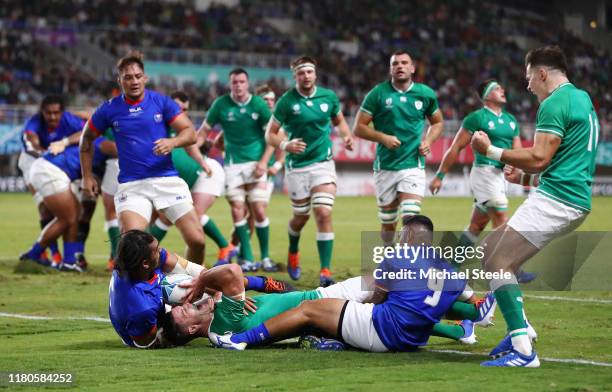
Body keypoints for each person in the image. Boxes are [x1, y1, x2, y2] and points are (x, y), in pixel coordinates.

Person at [470, 45, 598, 367]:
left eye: (529, 78)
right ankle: (522, 328)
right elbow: (562, 163)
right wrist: (525, 181)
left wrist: (491, 151)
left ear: (542, 74)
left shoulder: (554, 102)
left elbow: (539, 158)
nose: (527, 86)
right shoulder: (582, 98)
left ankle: (523, 351)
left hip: (559, 201)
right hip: (566, 196)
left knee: (499, 260)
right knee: (488, 251)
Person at [205, 215, 495, 352]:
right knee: (416, 305)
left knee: (308, 307)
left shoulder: (398, 257)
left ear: (407, 236)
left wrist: (252, 280)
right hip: (410, 335)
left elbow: (286, 291)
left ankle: (239, 342)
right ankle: (465, 328)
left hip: (373, 322)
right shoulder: (449, 269)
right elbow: (279, 288)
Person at [79, 53, 206, 265]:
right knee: (134, 247)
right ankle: (144, 291)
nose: (134, 81)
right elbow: (86, 139)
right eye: (128, 77)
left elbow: (190, 132)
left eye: (138, 76)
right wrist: (87, 177)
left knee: (197, 241)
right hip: (132, 185)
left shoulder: (161, 102)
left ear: (145, 78)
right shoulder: (109, 108)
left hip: (166, 180)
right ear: (120, 80)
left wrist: (172, 142)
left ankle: (194, 287)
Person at [109, 230, 293, 348]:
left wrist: (218, 288)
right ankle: (229, 330)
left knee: (217, 281)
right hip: (148, 328)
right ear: (145, 264)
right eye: (157, 250)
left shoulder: (134, 262)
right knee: (208, 302)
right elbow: (145, 342)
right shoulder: (141, 308)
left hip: (155, 298)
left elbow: (188, 268)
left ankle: (263, 284)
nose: (162, 251)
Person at [265, 56, 354, 286]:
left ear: (315, 74)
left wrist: (346, 136)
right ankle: (293, 249)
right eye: (301, 72)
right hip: (296, 168)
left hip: (322, 163)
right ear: (295, 75)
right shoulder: (286, 101)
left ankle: (325, 270)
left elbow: (340, 121)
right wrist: (286, 145)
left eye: (309, 72)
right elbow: (270, 134)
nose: (306, 76)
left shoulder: (329, 97)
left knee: (323, 213)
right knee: (300, 217)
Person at [353, 50, 443, 243]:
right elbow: (358, 128)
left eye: (404, 63)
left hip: (413, 165)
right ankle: (389, 258)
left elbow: (438, 123)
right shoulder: (377, 94)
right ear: (390, 69)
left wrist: (428, 141)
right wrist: (383, 138)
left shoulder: (425, 94)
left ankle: (405, 266)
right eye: (395, 64)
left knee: (411, 220)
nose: (400, 66)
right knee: (388, 224)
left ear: (412, 68)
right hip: (385, 167)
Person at [198, 69, 275, 272]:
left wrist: (264, 162)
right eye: (234, 82)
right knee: (237, 209)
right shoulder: (221, 104)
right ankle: (247, 258)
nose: (238, 85)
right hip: (232, 165)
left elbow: (273, 135)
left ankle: (266, 257)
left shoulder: (258, 104)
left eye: (242, 82)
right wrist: (194, 150)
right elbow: (204, 130)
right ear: (230, 84)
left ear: (247, 84)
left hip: (255, 163)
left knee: (258, 210)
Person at [148, 91, 236, 265]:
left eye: (184, 109)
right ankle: (200, 263)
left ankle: (223, 247)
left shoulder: (183, 130)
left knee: (184, 216)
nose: (180, 111)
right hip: (184, 179)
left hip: (206, 173)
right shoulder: (157, 126)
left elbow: (193, 145)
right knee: (173, 218)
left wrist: (203, 161)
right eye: (177, 106)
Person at [20, 137, 116, 271]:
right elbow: (119, 149)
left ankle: (69, 262)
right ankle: (33, 254)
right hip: (50, 169)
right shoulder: (101, 141)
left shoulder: (94, 141)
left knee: (75, 213)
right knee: (67, 218)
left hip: (50, 169)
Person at [18, 95, 85, 264]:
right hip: (32, 162)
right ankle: (52, 255)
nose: (53, 117)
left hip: (59, 166)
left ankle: (66, 258)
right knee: (46, 210)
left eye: (56, 113)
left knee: (70, 211)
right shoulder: (33, 123)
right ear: (42, 112)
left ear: (62, 112)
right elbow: (31, 145)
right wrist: (48, 155)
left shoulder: (69, 120)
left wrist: (64, 143)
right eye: (49, 113)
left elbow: (87, 132)